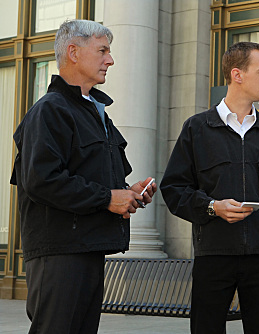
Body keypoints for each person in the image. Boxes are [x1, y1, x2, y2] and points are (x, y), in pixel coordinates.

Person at [10, 20, 157, 334]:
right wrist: (108, 198)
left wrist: (128, 194)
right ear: (73, 53)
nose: (111, 59)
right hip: (60, 255)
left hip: (88, 248)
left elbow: (96, 183)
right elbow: (42, 181)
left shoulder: (96, 113)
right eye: (102, 50)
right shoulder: (50, 110)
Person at [161, 41, 259, 334]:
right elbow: (174, 189)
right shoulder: (197, 128)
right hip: (214, 254)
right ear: (237, 75)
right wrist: (212, 207)